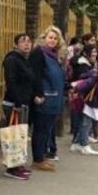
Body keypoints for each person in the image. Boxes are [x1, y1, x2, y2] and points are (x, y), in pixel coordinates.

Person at [28, 26, 66, 172]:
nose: (53, 40)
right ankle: (37, 159)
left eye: (55, 38)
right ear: (44, 38)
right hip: (44, 97)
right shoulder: (39, 53)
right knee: (40, 129)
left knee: (47, 129)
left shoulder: (54, 55)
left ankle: (42, 156)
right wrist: (38, 94)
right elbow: (35, 75)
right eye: (50, 37)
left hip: (54, 98)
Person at [1, 32, 38, 180]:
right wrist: (17, 102)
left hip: (24, 102)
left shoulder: (25, 60)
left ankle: (18, 164)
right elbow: (11, 82)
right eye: (23, 41)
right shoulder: (11, 60)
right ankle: (11, 168)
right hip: (14, 103)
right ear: (16, 44)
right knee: (13, 136)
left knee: (20, 135)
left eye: (29, 41)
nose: (27, 44)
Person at [69, 64, 98, 156]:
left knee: (86, 124)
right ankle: (84, 145)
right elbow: (83, 86)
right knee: (86, 125)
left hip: (91, 103)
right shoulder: (96, 79)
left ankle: (77, 143)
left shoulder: (97, 78)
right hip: (89, 104)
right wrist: (77, 91)